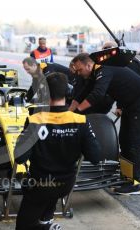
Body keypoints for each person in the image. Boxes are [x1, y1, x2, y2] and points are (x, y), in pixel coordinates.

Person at [14, 72, 100, 230]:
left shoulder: (35, 120)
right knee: (49, 195)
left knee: (23, 227)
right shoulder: (81, 121)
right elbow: (95, 157)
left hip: (39, 185)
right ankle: (46, 220)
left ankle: (47, 228)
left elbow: (19, 157)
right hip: (65, 184)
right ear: (68, 92)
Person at [70, 53, 140, 194]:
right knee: (124, 140)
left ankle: (134, 184)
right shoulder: (93, 74)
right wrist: (67, 113)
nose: (78, 73)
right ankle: (126, 177)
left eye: (79, 70)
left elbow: (97, 94)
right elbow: (82, 95)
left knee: (134, 142)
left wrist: (76, 112)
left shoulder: (104, 70)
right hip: (129, 103)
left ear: (89, 65)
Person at [102, 41, 140, 169]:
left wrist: (119, 106)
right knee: (139, 128)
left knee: (137, 132)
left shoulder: (127, 62)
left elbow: (127, 86)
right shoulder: (121, 61)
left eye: (107, 50)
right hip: (134, 98)